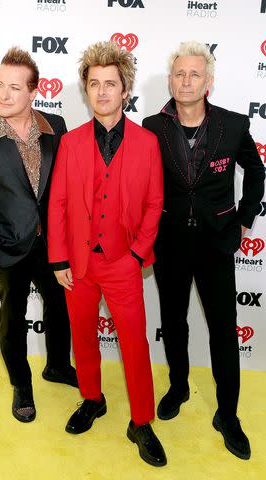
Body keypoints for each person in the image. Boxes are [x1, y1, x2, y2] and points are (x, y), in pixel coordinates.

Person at [143, 41, 265, 460]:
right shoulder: (150, 126)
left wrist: (245, 217)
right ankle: (178, 387)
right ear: (171, 79)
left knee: (223, 332)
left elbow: (256, 170)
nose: (186, 80)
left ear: (209, 82)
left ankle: (227, 415)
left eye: (195, 74)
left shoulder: (233, 125)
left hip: (216, 243)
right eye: (179, 73)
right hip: (170, 242)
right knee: (173, 323)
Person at [47, 41, 166, 467]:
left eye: (110, 84)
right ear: (86, 89)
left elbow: (155, 204)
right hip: (77, 263)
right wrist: (59, 258)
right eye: (94, 84)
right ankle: (92, 399)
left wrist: (136, 255)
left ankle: (141, 421)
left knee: (134, 343)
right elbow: (57, 202)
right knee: (84, 337)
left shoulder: (148, 143)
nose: (102, 92)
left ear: (125, 90)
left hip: (123, 262)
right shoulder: (71, 143)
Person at [0, 47, 77, 424]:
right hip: (6, 248)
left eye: (13, 88)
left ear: (33, 91)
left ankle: (57, 366)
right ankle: (21, 384)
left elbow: (65, 187)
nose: (2, 95)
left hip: (53, 244)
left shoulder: (55, 125)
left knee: (60, 308)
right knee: (14, 314)